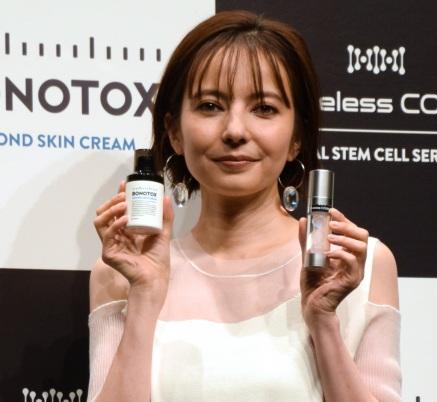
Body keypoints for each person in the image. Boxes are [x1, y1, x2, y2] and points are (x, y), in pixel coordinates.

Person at [87, 10, 401, 402]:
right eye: (210, 106)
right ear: (174, 132)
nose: (235, 131)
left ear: (297, 138)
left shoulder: (356, 265)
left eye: (264, 108)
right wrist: (145, 296)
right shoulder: (121, 273)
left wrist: (323, 323)